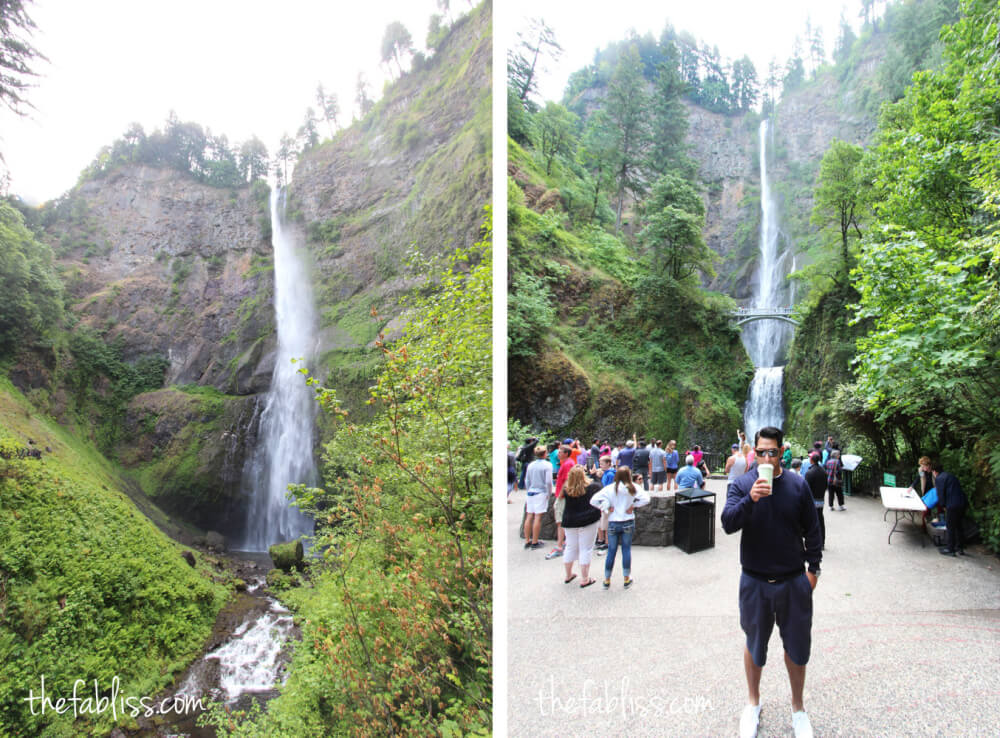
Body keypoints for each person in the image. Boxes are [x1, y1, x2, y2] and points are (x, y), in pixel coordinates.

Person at [722, 426, 822, 738]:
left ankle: (798, 708)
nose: (768, 457)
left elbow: (813, 529)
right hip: (754, 580)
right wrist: (750, 500)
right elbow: (727, 523)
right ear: (754, 452)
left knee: (797, 647)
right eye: (762, 452)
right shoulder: (742, 485)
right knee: (754, 643)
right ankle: (753, 703)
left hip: (794, 581)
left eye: (773, 452)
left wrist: (813, 570)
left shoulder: (797, 484)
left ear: (781, 452)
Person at [590, 467, 650, 589]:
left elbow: (593, 501)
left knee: (611, 551)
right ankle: (626, 578)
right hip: (627, 520)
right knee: (626, 550)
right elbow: (646, 498)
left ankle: (607, 580)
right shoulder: (633, 488)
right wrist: (633, 505)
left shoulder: (610, 488)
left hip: (613, 522)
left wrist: (606, 508)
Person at [560, 467, 602, 587]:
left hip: (570, 521)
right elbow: (600, 487)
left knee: (570, 547)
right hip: (588, 520)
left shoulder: (567, 489)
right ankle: (585, 578)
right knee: (586, 549)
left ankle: (568, 574)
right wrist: (595, 475)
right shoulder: (591, 487)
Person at [933, 461, 968, 556]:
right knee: (959, 526)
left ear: (935, 472)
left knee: (950, 526)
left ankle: (950, 549)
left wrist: (943, 506)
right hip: (962, 502)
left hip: (952, 504)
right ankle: (960, 547)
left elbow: (941, 494)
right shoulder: (950, 476)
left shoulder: (939, 478)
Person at [546, 445, 575, 559]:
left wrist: (562, 494)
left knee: (560, 521)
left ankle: (559, 546)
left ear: (566, 453)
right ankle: (565, 543)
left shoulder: (568, 464)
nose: (558, 454)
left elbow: (568, 480)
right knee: (563, 521)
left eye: (560, 452)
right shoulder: (567, 463)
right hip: (562, 495)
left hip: (562, 496)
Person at [523, 446, 552, 549]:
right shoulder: (547, 465)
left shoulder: (531, 465)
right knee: (538, 517)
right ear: (545, 453)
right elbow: (548, 481)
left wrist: (528, 490)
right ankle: (535, 542)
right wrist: (549, 492)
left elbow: (527, 480)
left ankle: (527, 540)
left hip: (531, 492)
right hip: (541, 492)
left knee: (529, 516)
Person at [804, 452, 827, 549]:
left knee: (811, 521)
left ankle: (812, 542)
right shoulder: (823, 471)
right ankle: (821, 542)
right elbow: (826, 485)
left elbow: (806, 487)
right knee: (820, 519)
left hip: (812, 499)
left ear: (812, 460)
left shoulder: (810, 472)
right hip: (820, 499)